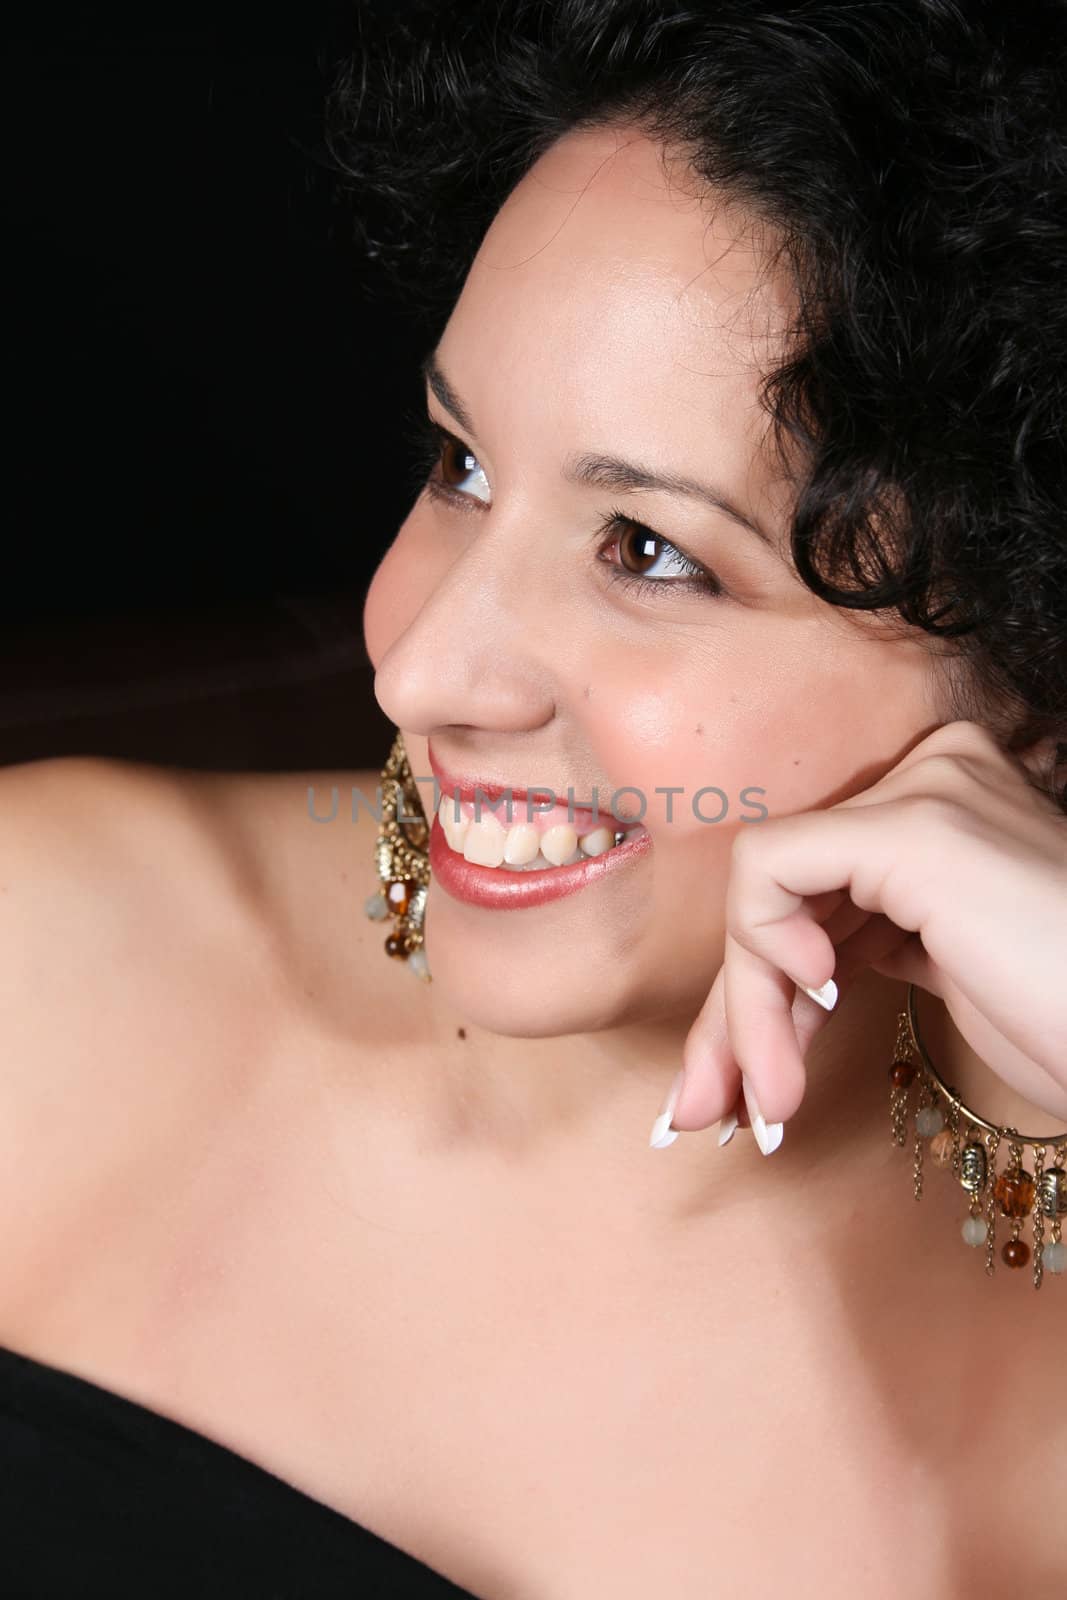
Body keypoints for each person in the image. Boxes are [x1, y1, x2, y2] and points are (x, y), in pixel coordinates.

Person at [2, 1, 1067, 1595]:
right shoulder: (56, 960)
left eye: (647, 551)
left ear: (1037, 698)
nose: (424, 665)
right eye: (459, 466)